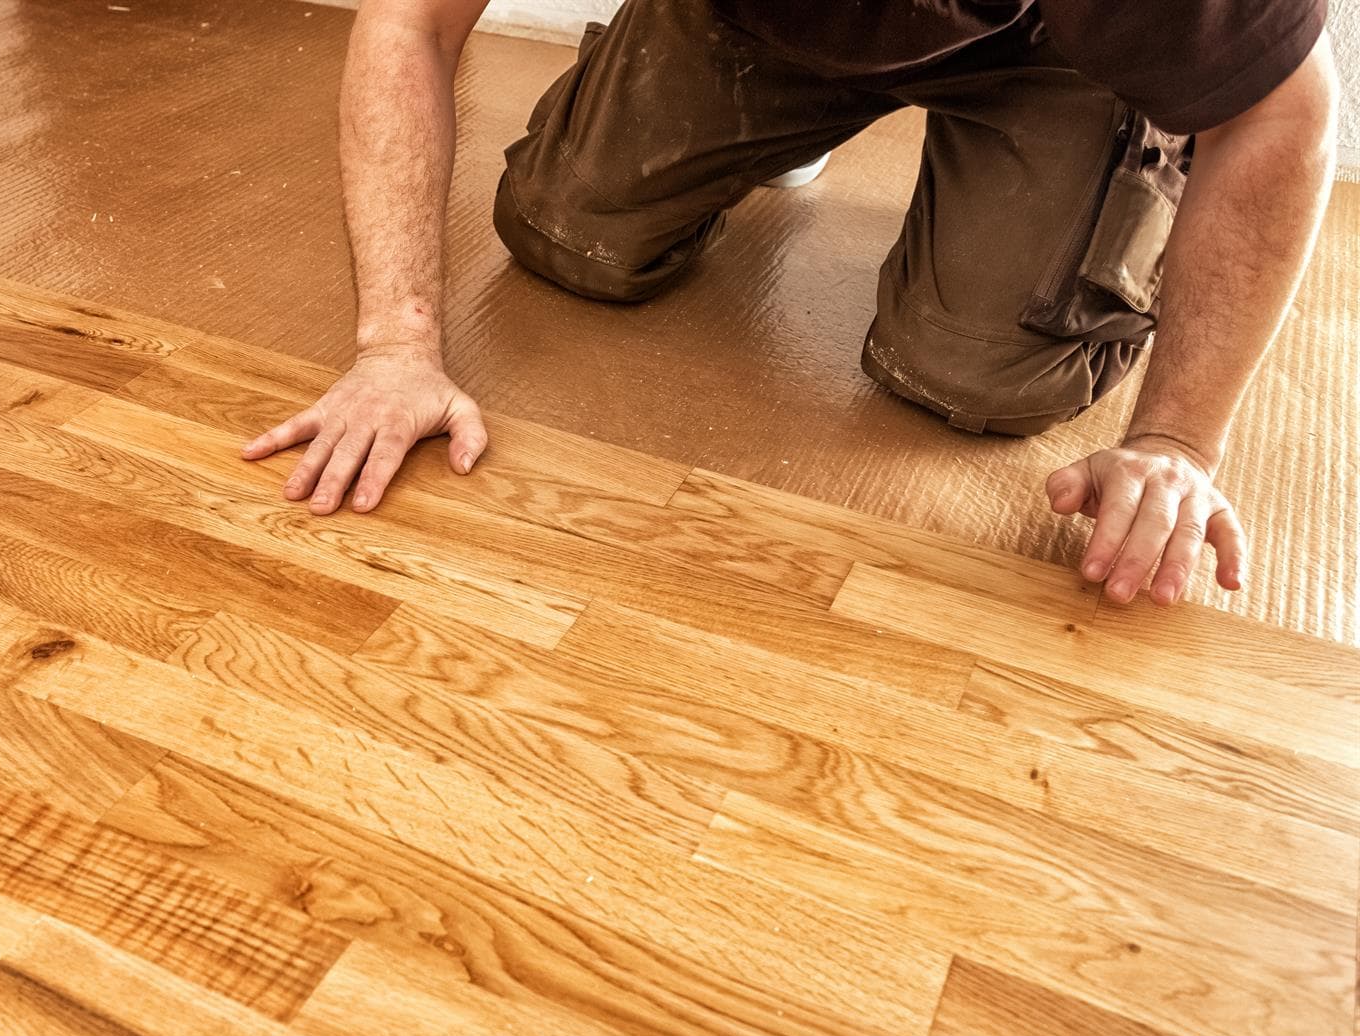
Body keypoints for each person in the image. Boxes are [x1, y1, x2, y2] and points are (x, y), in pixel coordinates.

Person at [241, 0, 1338, 606]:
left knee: (974, 374)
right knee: (566, 228)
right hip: (757, 18)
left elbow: (1281, 118)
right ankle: (784, 100)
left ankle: (1061, 163)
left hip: (1055, 56)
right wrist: (396, 344)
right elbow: (409, 23)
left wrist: (1179, 440)